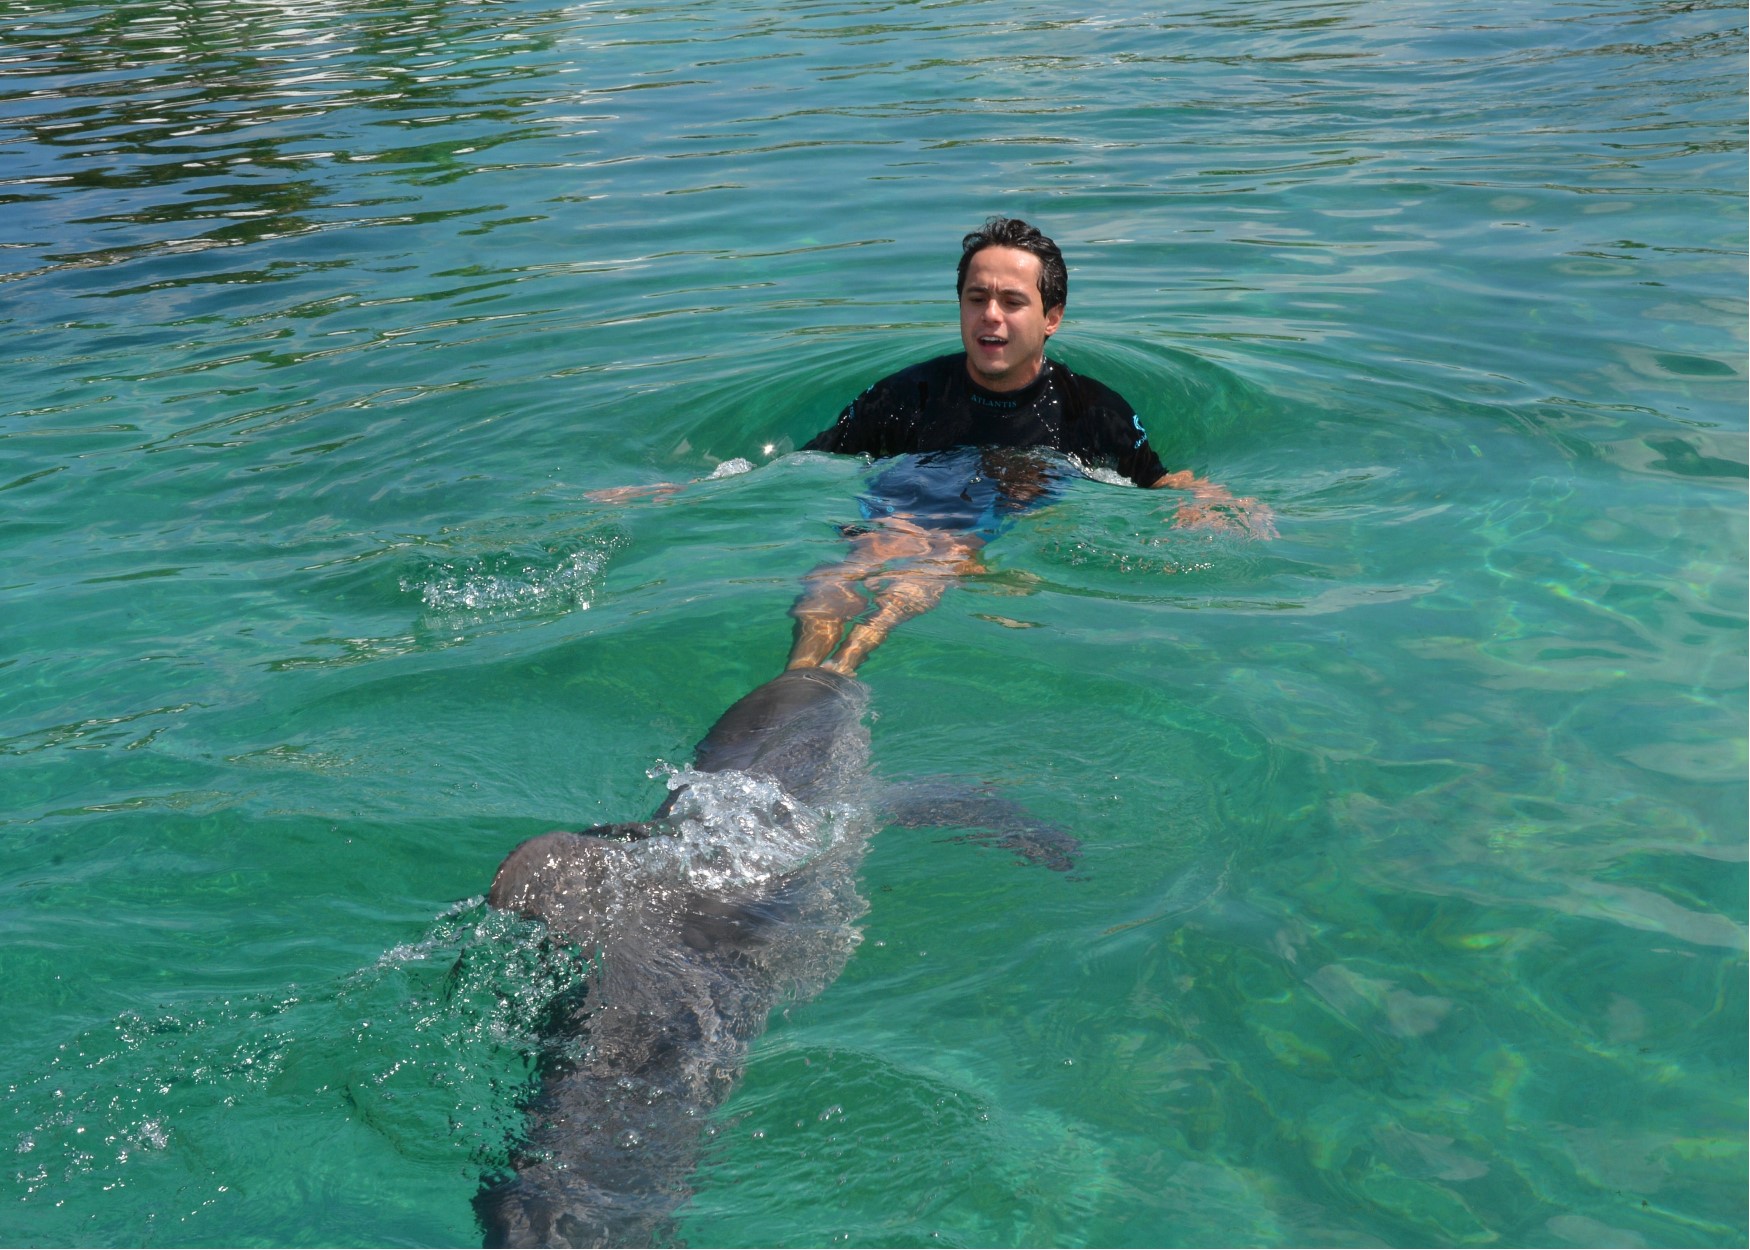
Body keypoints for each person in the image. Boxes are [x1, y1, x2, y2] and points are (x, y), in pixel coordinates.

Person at [786, 216, 1275, 676]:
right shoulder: (901, 398)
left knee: (930, 566)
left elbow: (1155, 479)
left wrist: (1209, 498)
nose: (990, 316)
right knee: (841, 573)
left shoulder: (1092, 411)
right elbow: (811, 463)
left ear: (1052, 317)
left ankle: (840, 671)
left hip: (997, 511)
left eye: (1012, 302)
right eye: (976, 299)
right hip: (904, 498)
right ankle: (797, 676)